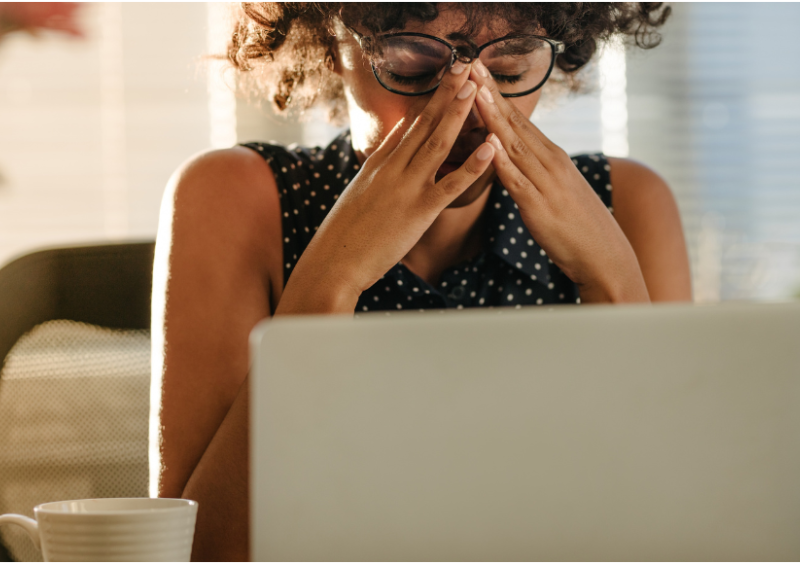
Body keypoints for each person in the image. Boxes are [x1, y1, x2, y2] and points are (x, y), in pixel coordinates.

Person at [152, 3, 691, 560]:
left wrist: (614, 283)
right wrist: (333, 278)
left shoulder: (627, 204)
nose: (470, 106)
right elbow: (198, 549)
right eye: (410, 67)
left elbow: (682, 530)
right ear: (331, 48)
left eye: (509, 71)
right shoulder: (234, 198)